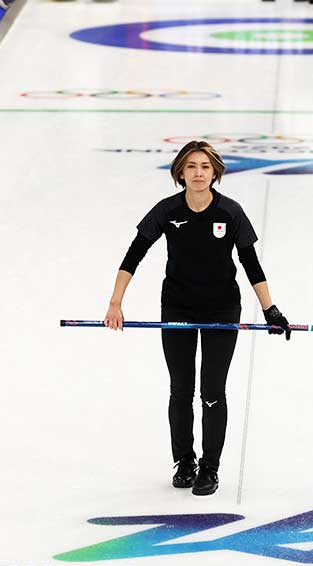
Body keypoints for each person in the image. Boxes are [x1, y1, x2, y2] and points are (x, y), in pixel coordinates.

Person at [103, 141, 292, 496]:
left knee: (212, 391)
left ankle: (210, 467)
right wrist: (116, 302)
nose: (198, 172)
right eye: (191, 166)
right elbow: (134, 254)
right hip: (177, 307)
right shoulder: (166, 210)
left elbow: (251, 264)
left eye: (205, 166)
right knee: (181, 389)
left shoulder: (230, 213)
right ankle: (185, 461)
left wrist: (271, 310)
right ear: (181, 173)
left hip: (222, 309)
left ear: (215, 172)